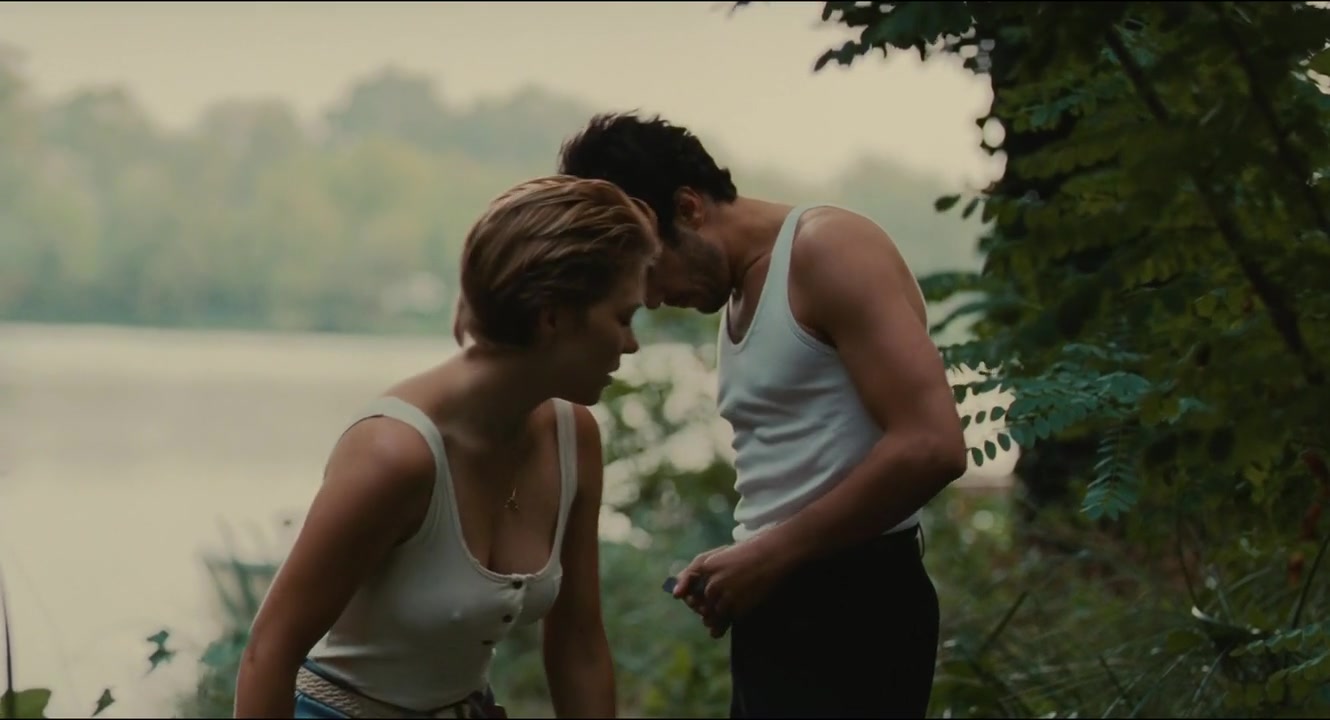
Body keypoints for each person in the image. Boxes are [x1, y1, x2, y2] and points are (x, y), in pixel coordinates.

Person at [557, 113, 969, 718]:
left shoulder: (827, 249)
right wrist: (746, 559)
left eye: (649, 268)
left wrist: (770, 553)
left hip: (857, 606)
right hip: (779, 602)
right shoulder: (739, 292)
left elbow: (933, 445)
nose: (650, 298)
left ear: (689, 207)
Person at [233, 175, 661, 719]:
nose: (632, 343)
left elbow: (577, 644)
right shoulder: (395, 454)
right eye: (622, 318)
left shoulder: (571, 436)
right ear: (551, 316)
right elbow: (268, 653)